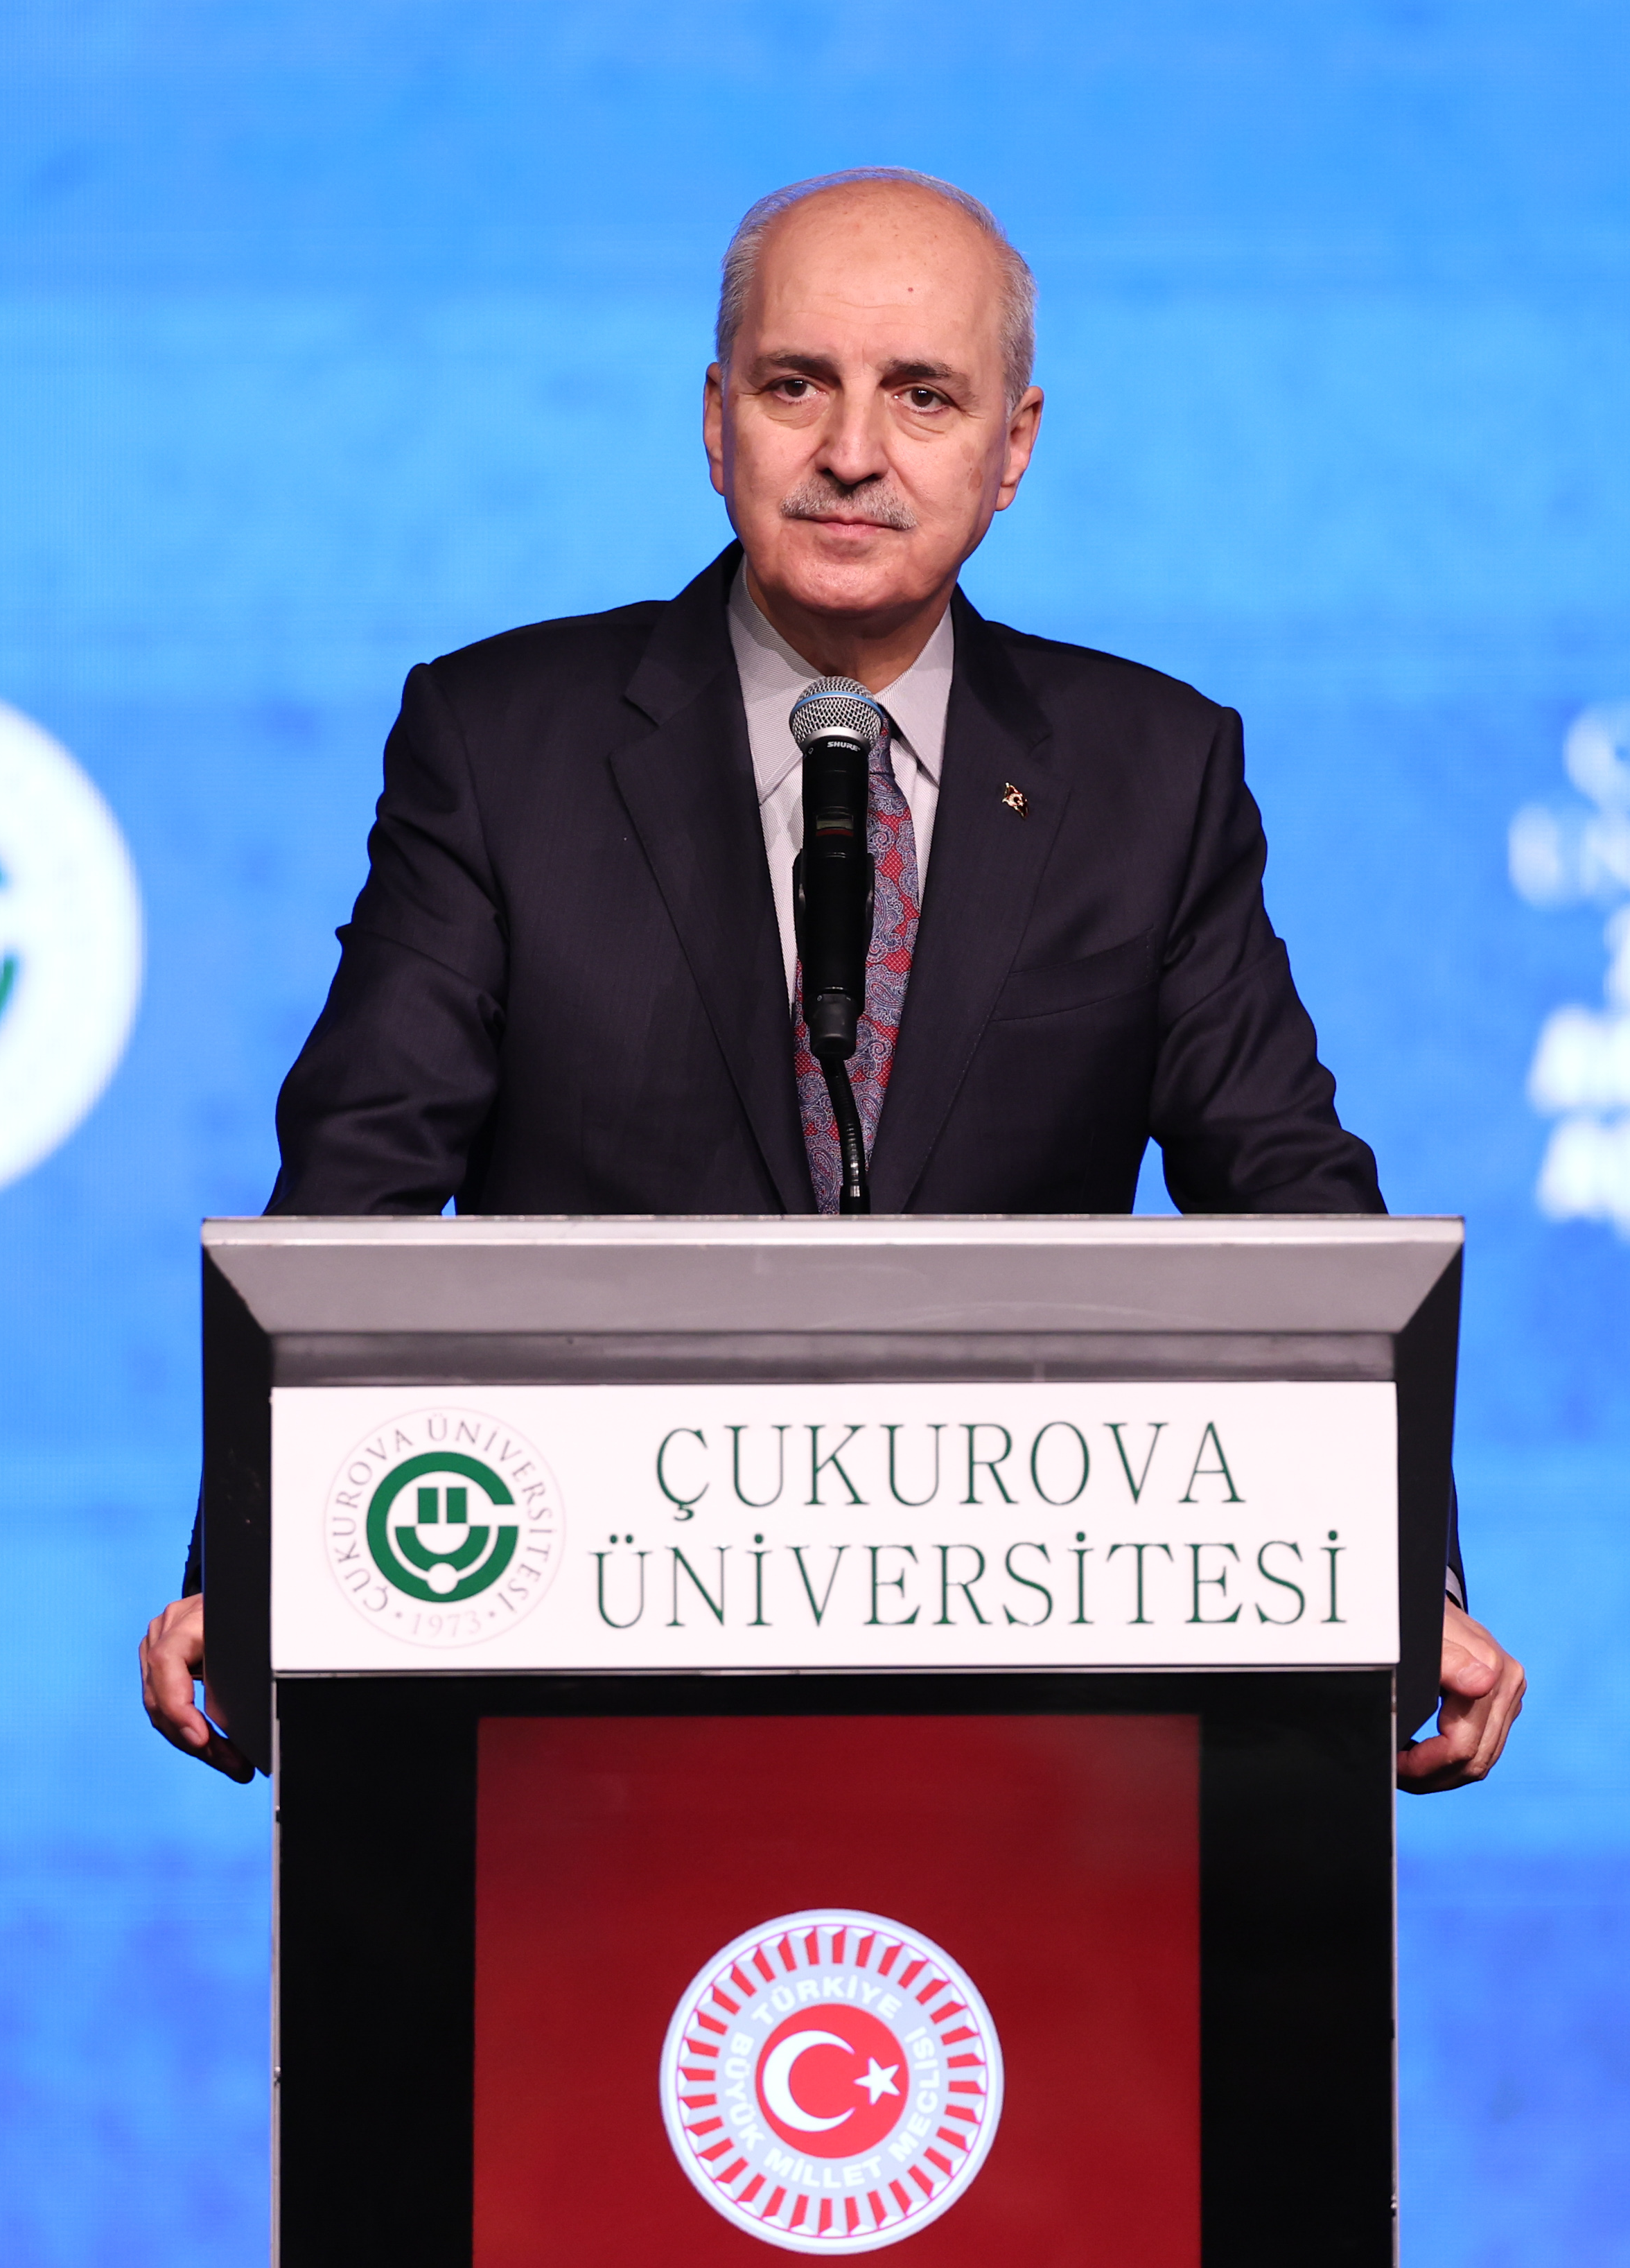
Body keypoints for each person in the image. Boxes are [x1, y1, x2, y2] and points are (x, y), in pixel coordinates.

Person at [139, 168, 1525, 1794]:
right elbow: (353, 1195)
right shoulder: (501, 744)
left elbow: (1295, 1204)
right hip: (582, 1701)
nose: (854, 451)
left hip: (1030, 1714)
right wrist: (257, 1568)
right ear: (715, 419)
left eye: (923, 395)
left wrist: (1405, 1580)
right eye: (798, 385)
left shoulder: (1153, 773)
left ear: (1013, 446)